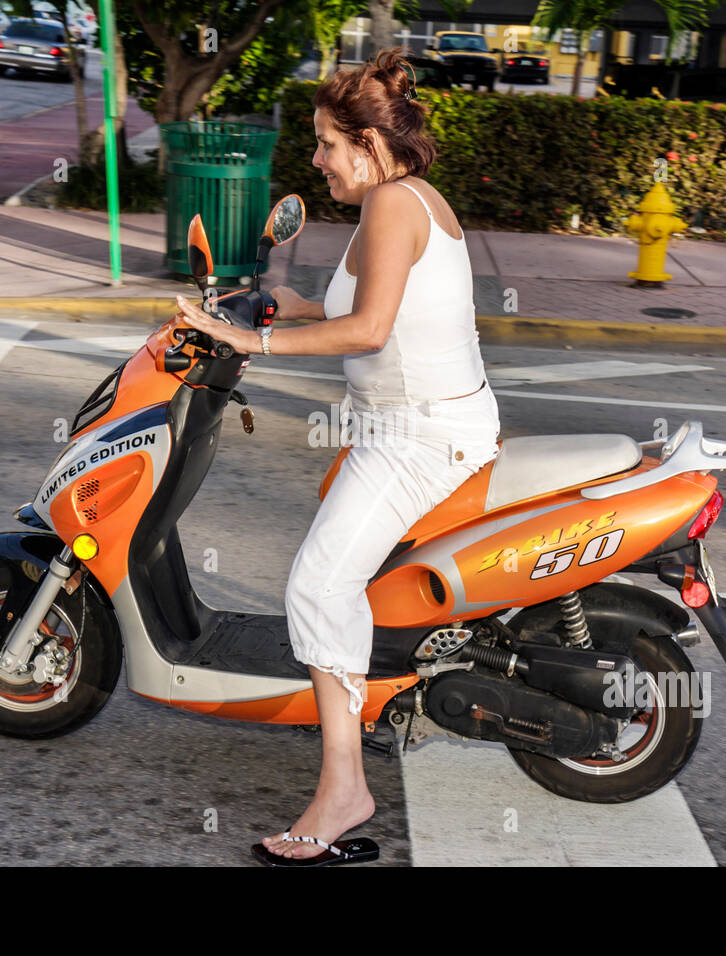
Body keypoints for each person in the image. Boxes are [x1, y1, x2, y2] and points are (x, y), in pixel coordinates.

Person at [172, 48, 502, 864]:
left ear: (367, 142)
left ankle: (344, 790)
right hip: (416, 424)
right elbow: (373, 305)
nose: (315, 161)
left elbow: (371, 331)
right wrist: (287, 304)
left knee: (318, 585)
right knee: (335, 577)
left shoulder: (392, 205)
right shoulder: (403, 201)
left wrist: (254, 338)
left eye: (325, 144)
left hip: (419, 434)